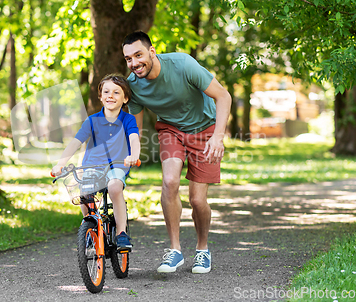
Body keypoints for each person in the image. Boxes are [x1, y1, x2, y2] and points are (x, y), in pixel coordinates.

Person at [122, 31, 231, 273]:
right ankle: (175, 250)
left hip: (205, 129)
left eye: (138, 55)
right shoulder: (134, 86)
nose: (134, 63)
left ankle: (202, 250)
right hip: (171, 130)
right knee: (169, 181)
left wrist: (218, 137)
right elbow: (135, 129)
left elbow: (223, 96)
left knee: (197, 199)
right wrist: (130, 153)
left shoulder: (183, 65)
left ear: (152, 52)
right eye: (128, 59)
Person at [52, 74, 140, 251]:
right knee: (84, 193)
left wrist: (134, 155)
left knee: (115, 187)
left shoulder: (128, 120)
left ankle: (121, 233)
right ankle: (91, 227)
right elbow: (75, 143)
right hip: (92, 165)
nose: (110, 95)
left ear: (125, 98)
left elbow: (134, 139)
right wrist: (60, 164)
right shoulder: (92, 120)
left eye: (116, 92)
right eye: (106, 92)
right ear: (100, 96)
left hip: (117, 165)